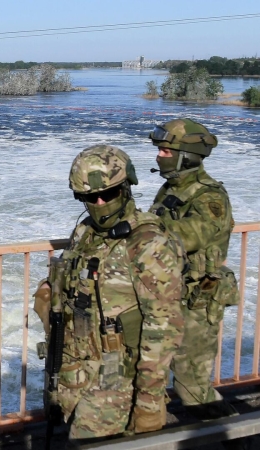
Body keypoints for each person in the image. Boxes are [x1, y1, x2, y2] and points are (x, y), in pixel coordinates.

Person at [33, 145, 184, 442]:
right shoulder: (86, 232)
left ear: (126, 186)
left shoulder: (148, 243)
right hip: (77, 369)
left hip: (117, 379)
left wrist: (150, 402)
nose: (99, 202)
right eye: (89, 197)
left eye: (109, 194)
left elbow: (163, 329)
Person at [148, 118, 239, 420]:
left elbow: (190, 235)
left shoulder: (209, 196)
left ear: (186, 155)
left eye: (165, 151)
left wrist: (142, 229)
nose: (159, 156)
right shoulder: (170, 188)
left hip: (198, 300)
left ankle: (234, 436)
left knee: (192, 386)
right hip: (167, 296)